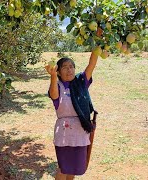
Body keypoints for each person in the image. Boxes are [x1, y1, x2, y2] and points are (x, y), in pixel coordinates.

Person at [45, 50, 98, 180]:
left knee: (74, 168)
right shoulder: (57, 85)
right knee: (64, 168)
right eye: (65, 67)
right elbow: (54, 96)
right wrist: (52, 76)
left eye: (71, 67)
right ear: (58, 72)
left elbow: (92, 64)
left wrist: (98, 45)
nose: (69, 70)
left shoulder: (81, 82)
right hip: (64, 134)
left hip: (80, 132)